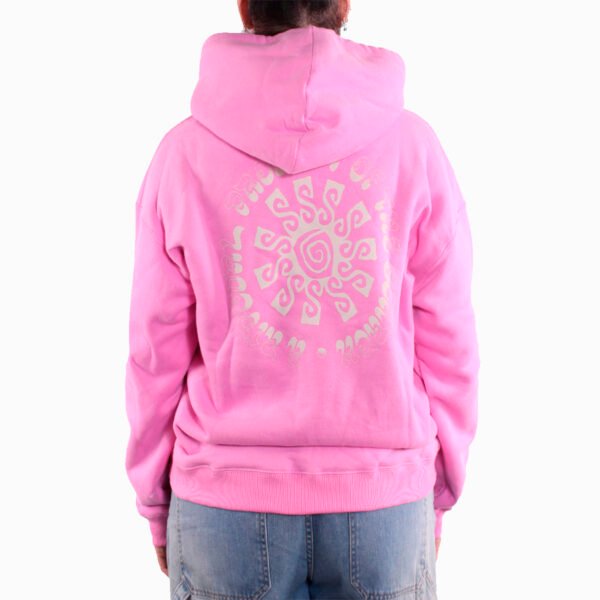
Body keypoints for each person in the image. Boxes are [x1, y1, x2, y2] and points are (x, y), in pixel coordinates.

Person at [124, 0, 480, 597]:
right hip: (384, 500)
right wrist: (439, 488)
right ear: (344, 4)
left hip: (223, 501)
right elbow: (451, 341)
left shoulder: (181, 155)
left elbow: (154, 350)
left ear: (245, 6)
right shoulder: (413, 147)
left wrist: (153, 500)